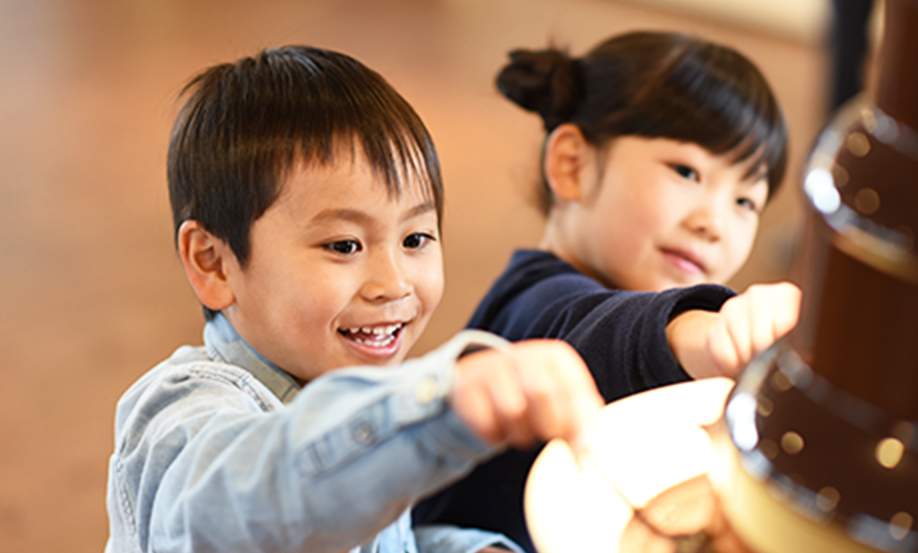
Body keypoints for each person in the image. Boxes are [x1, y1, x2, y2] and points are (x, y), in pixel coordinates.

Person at [103, 45, 605, 553]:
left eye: (415, 239)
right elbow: (247, 508)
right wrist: (440, 401)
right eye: (344, 246)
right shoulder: (182, 413)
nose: (393, 284)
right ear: (213, 262)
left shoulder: (357, 391)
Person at [414, 31, 802, 552]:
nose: (714, 222)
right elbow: (605, 330)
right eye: (686, 171)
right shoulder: (534, 300)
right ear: (572, 164)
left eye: (745, 201)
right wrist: (708, 335)